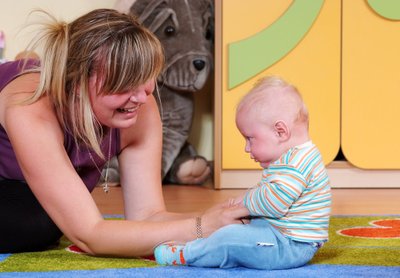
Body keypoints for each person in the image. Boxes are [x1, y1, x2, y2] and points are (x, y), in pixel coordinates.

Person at [0, 9, 249, 254]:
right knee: (38, 224)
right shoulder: (30, 108)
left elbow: (148, 216)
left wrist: (222, 219)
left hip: (23, 192)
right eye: (125, 85)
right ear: (76, 83)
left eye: (146, 78)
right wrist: (200, 228)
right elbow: (91, 235)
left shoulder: (140, 106)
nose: (142, 96)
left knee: (51, 218)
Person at [154, 76, 331, 270]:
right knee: (236, 227)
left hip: (288, 247)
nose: (247, 148)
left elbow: (275, 202)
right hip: (281, 236)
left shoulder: (296, 162)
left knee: (231, 238)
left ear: (280, 132)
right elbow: (270, 193)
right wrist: (244, 202)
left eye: (250, 138)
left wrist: (243, 205)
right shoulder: (298, 156)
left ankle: (187, 254)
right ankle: (206, 246)